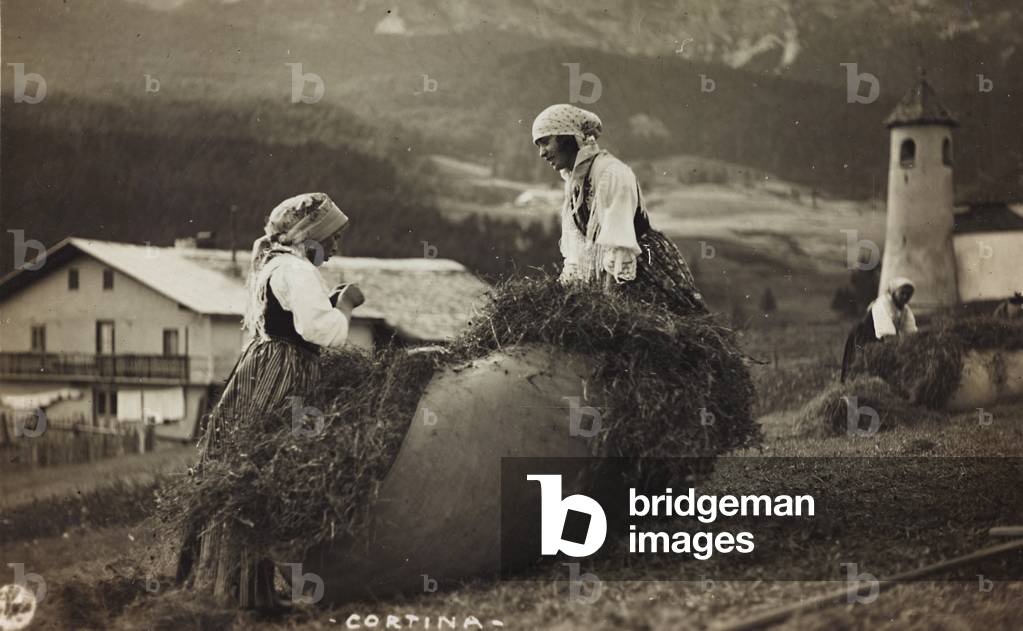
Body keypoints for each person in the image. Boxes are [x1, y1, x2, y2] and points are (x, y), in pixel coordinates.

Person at [176, 192, 364, 609]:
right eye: (332, 238)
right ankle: (248, 594)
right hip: (287, 375)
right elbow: (323, 334)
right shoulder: (296, 270)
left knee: (245, 470)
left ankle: (232, 587)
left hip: (260, 368)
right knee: (272, 471)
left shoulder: (274, 265)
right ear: (310, 236)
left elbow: (294, 324)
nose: (335, 248)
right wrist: (345, 306)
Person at [531, 104, 706, 315]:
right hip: (608, 273)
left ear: (566, 137)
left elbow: (619, 249)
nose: (541, 153)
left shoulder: (612, 174)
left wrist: (606, 304)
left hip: (642, 264)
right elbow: (578, 254)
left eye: (544, 142)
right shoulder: (575, 183)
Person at [840, 277, 917, 382]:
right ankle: (851, 388)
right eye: (902, 293)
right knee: (858, 364)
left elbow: (911, 332)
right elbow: (887, 334)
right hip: (863, 337)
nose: (905, 296)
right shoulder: (883, 304)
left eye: (908, 294)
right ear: (894, 291)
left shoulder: (905, 310)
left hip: (878, 339)